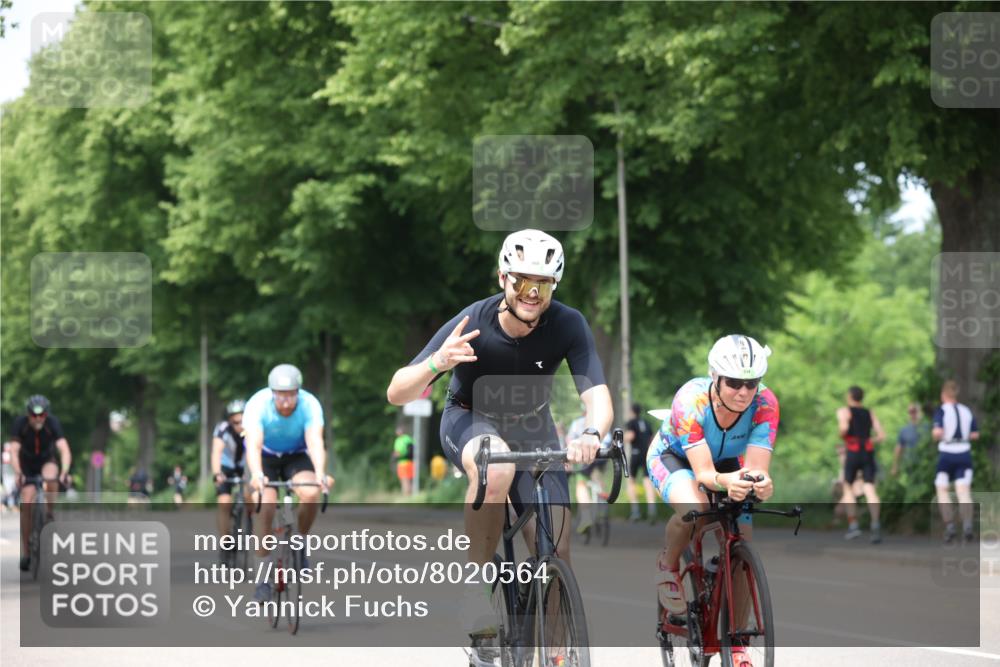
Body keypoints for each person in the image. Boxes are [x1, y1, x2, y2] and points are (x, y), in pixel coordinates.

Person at [385, 229, 612, 661]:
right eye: (522, 280)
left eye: (542, 284)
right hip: (470, 417)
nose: (531, 292)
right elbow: (397, 391)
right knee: (496, 468)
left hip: (533, 427)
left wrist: (591, 433)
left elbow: (597, 395)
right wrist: (438, 362)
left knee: (556, 550)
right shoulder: (473, 320)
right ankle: (475, 587)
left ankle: (555, 653)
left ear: (553, 287)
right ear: (502, 278)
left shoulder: (568, 323)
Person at [648, 334, 778, 667]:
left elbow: (756, 469)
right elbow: (704, 473)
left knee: (743, 541)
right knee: (697, 510)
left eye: (752, 384)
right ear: (715, 377)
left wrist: (760, 483)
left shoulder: (765, 404)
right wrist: (725, 482)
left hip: (726, 464)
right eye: (734, 383)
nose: (744, 392)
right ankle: (668, 565)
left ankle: (736, 643)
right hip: (675, 457)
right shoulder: (691, 401)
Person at [246, 363, 332, 603]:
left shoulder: (309, 404)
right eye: (280, 395)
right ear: (272, 392)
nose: (286, 401)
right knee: (266, 505)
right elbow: (253, 444)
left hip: (297, 455)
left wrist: (320, 473)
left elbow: (315, 441)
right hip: (265, 456)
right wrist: (256, 473)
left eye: (291, 395)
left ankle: (299, 542)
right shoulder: (257, 404)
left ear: (298, 392)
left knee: (311, 492)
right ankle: (262, 580)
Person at [5, 395, 72, 572]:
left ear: (46, 414)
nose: (37, 419)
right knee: (26, 502)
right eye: (34, 415)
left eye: (41, 415)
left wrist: (65, 471)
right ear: (28, 414)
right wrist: (18, 473)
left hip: (46, 461)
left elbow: (63, 449)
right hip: (26, 465)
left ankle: (49, 512)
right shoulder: (21, 424)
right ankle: (26, 552)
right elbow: (13, 450)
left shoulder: (52, 423)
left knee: (52, 475)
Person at [931, 380, 980, 544]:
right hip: (964, 453)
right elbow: (975, 435)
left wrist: (938, 435)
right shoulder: (966, 411)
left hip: (947, 453)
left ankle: (950, 525)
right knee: (963, 491)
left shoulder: (942, 411)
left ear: (943, 395)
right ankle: (967, 525)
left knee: (942, 489)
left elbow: (937, 432)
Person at [838, 386, 885, 543]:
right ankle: (875, 524)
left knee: (847, 486)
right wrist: (868, 440)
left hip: (853, 451)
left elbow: (844, 429)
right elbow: (881, 435)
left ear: (850, 396)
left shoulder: (845, 411)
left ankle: (853, 525)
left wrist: (844, 433)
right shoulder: (869, 412)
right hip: (868, 451)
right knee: (869, 487)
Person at [212, 399, 249, 560]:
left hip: (244, 466)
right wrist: (217, 473)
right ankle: (225, 543)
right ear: (229, 421)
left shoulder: (253, 428)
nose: (239, 425)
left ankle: (249, 526)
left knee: (251, 496)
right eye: (235, 422)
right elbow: (216, 452)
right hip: (226, 467)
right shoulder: (222, 430)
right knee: (224, 502)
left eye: (242, 420)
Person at [566, 404, 607, 535]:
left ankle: (586, 517)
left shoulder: (577, 423)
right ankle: (601, 506)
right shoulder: (602, 422)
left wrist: (570, 461)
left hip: (586, 457)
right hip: (602, 456)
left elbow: (569, 441)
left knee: (581, 483)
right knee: (597, 476)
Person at [625, 402, 657, 522]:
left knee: (631, 481)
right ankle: (652, 510)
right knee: (647, 481)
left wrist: (621, 438)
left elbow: (630, 436)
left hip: (635, 453)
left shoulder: (631, 423)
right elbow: (652, 438)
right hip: (646, 453)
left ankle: (635, 511)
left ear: (632, 411)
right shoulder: (647, 423)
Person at [891, 403, 926, 477]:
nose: (913, 414)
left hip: (926, 465)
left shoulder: (928, 427)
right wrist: (895, 466)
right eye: (910, 412)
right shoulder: (904, 430)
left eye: (914, 411)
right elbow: (899, 448)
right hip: (910, 466)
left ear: (920, 412)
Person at [391, 425, 415, 495]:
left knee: (407, 479)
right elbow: (396, 452)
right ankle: (406, 494)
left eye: (399, 431)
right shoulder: (397, 440)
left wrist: (401, 455)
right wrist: (394, 456)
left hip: (407, 462)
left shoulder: (407, 439)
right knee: (402, 479)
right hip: (400, 463)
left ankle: (408, 494)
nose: (398, 432)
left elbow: (410, 452)